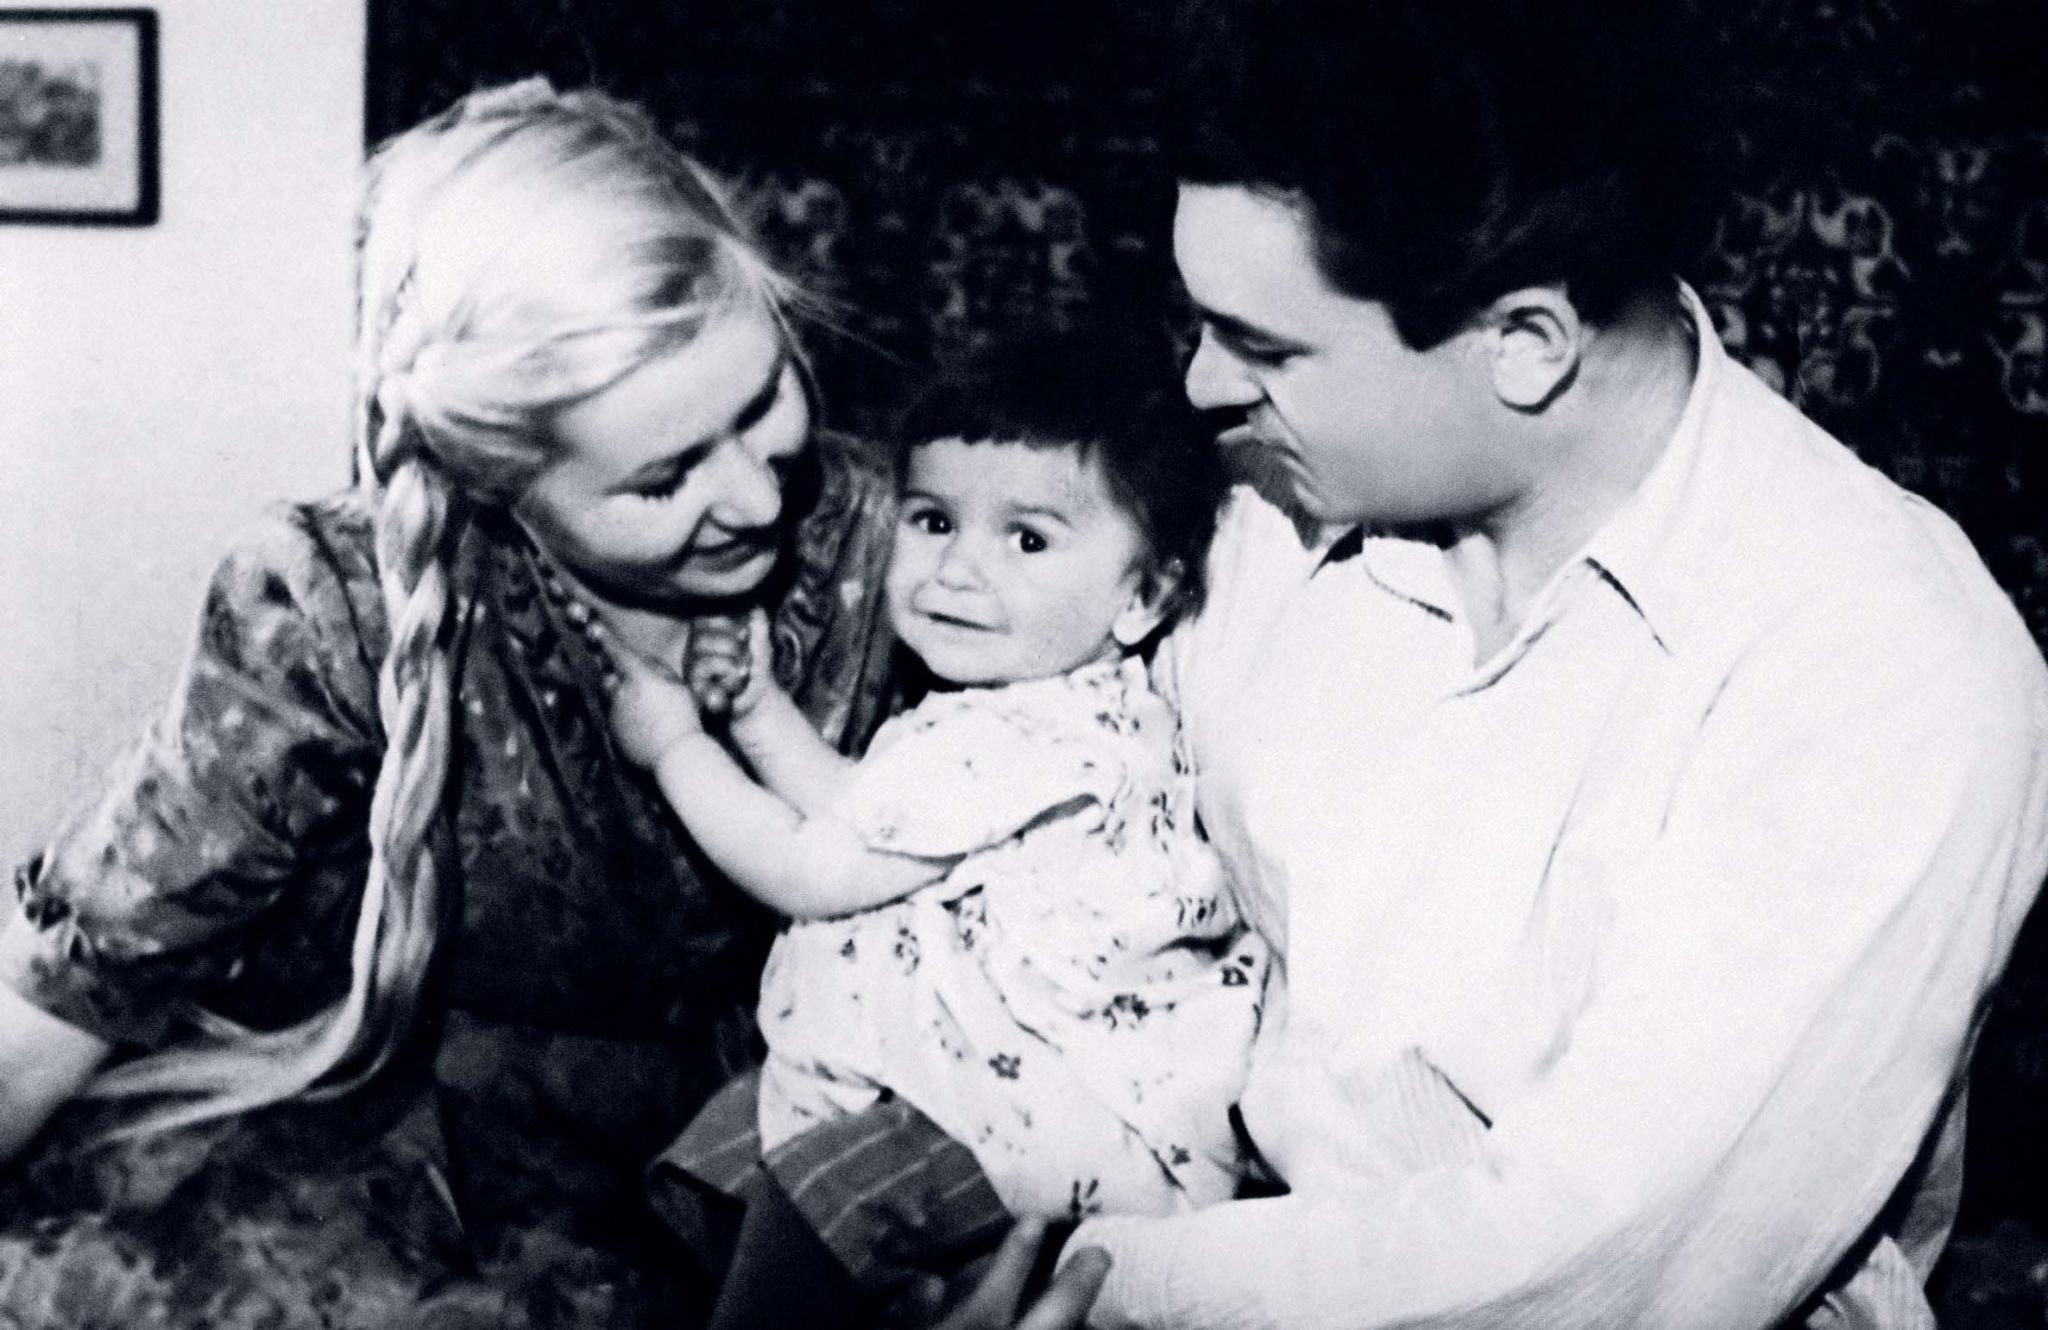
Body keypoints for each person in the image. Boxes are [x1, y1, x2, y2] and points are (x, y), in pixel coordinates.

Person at [964, 1, 2048, 1326]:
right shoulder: (1271, 505)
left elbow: (1594, 1263)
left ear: (1527, 346)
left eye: (1264, 347)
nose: (1200, 389)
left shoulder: (1889, 672)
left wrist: (1094, 1280)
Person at [0, 79, 904, 1329]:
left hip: (741, 1161)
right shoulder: (327, 604)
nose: (755, 498)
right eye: (664, 480)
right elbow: (76, 979)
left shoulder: (911, 553)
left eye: (760, 405)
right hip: (358, 1146)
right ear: (498, 484)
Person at [605, 328, 1270, 1329]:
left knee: (810, 1199)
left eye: (1027, 540)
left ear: (1144, 595)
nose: (956, 569)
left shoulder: (1035, 741)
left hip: (1035, 1116)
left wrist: (675, 748)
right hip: (955, 1086)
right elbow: (860, 805)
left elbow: (809, 869)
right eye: (932, 520)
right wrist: (755, 712)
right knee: (722, 1151)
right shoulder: (1018, 708)